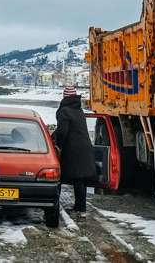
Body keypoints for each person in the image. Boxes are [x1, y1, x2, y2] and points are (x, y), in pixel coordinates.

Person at [53, 85, 97, 218]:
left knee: (73, 178)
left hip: (73, 149)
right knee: (81, 179)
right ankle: (80, 208)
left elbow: (62, 131)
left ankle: (77, 209)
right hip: (85, 147)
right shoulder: (79, 111)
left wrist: (58, 144)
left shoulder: (64, 111)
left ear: (64, 97)